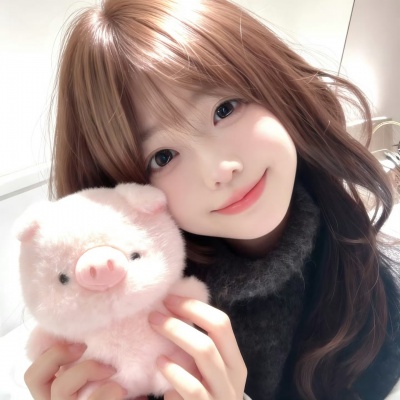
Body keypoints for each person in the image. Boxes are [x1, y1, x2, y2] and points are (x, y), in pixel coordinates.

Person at [24, 0, 400, 399]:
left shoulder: (371, 282)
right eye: (162, 157)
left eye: (225, 108)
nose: (219, 169)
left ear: (276, 87)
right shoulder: (128, 319)